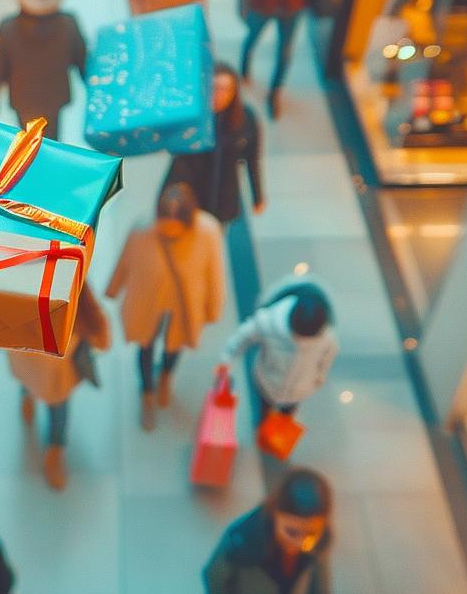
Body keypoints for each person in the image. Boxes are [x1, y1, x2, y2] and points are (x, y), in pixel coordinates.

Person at [107, 182, 227, 431]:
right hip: (148, 302)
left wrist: (214, 307)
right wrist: (113, 287)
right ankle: (147, 390)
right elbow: (125, 260)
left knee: (176, 344)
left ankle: (165, 377)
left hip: (184, 306)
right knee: (145, 344)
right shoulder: (143, 229)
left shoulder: (208, 232)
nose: (169, 236)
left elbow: (215, 274)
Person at [9, 287, 111, 490]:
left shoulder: (67, 273)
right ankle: (28, 397)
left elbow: (88, 305)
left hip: (59, 358)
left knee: (58, 403)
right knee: (29, 381)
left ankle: (55, 449)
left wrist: (98, 331)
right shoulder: (12, 282)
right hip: (24, 349)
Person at [0, 0, 86, 140]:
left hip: (22, 98)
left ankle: (32, 163)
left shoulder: (7, 28)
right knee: (53, 140)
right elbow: (82, 61)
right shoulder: (68, 23)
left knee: (27, 141)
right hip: (55, 97)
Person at [203, 468, 334, 594]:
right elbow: (214, 577)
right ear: (274, 513)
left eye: (311, 533)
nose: (300, 543)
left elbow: (320, 592)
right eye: (291, 532)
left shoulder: (320, 542)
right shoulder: (241, 540)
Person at [221, 277, 338, 425]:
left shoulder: (327, 337)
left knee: (285, 418)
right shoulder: (267, 322)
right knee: (264, 414)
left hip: (298, 391)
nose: (302, 343)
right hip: (268, 384)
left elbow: (328, 356)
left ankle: (276, 433)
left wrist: (319, 377)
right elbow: (240, 339)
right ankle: (263, 429)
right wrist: (226, 362)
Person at [165, 63, 265, 224]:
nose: (219, 95)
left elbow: (253, 159)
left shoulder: (246, 119)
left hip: (224, 196)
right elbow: (176, 156)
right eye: (215, 88)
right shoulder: (193, 118)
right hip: (193, 194)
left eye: (226, 89)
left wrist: (258, 196)